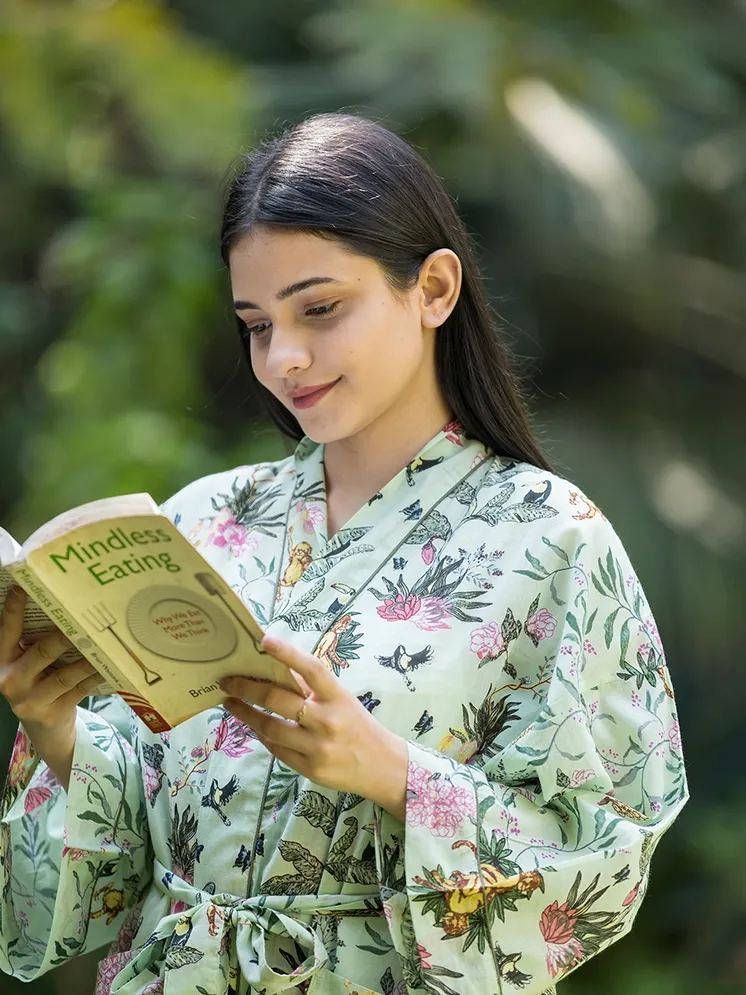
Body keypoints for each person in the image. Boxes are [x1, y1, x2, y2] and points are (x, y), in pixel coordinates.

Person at [0, 113, 688, 995]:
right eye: (255, 324)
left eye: (320, 309)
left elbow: (607, 847)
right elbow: (143, 836)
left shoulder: (554, 541)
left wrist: (387, 770)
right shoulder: (206, 520)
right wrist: (55, 729)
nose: (284, 357)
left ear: (434, 288)